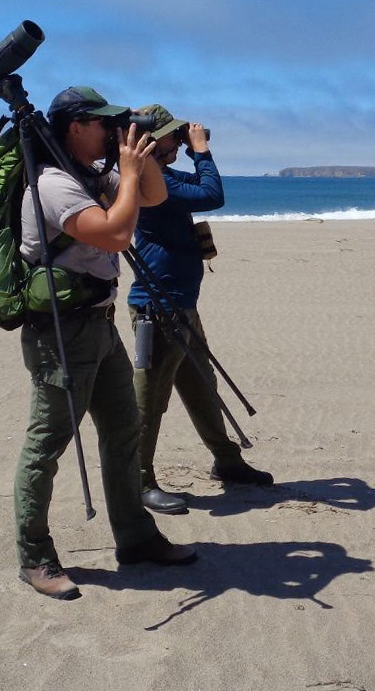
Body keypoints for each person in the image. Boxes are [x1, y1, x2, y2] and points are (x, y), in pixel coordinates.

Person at [14, 86, 198, 600]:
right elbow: (116, 235)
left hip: (99, 322)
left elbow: (156, 197)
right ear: (75, 126)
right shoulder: (51, 185)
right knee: (46, 445)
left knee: (123, 431)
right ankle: (34, 556)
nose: (111, 131)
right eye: (103, 124)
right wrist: (131, 172)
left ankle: (136, 538)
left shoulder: (96, 175)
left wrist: (136, 150)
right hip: (61, 331)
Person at [128, 104, 274, 515]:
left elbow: (200, 188)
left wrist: (193, 152)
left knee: (201, 386)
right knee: (149, 399)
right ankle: (139, 481)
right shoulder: (145, 177)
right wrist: (202, 150)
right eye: (172, 135)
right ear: (152, 141)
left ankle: (226, 461)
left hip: (180, 305)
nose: (178, 140)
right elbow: (212, 194)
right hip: (157, 307)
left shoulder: (165, 175)